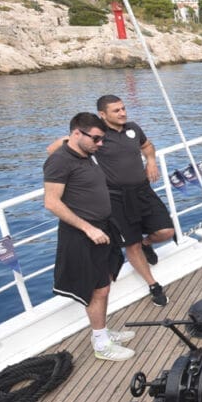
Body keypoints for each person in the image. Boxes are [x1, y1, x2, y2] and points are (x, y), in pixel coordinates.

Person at [46, 96, 176, 307]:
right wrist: (76, 157)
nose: (123, 113)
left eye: (123, 108)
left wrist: (151, 161)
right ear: (102, 115)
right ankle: (153, 285)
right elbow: (53, 149)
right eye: (116, 110)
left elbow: (147, 145)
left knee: (166, 231)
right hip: (116, 197)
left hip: (143, 191)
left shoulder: (133, 128)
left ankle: (147, 244)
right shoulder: (96, 136)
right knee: (131, 243)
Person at [43, 112, 136, 361]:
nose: (100, 144)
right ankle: (101, 344)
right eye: (96, 139)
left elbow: (56, 145)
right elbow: (51, 202)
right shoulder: (60, 162)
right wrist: (88, 229)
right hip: (83, 234)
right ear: (77, 134)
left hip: (103, 228)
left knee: (104, 284)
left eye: (101, 138)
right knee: (97, 290)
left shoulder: (86, 152)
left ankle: (102, 333)